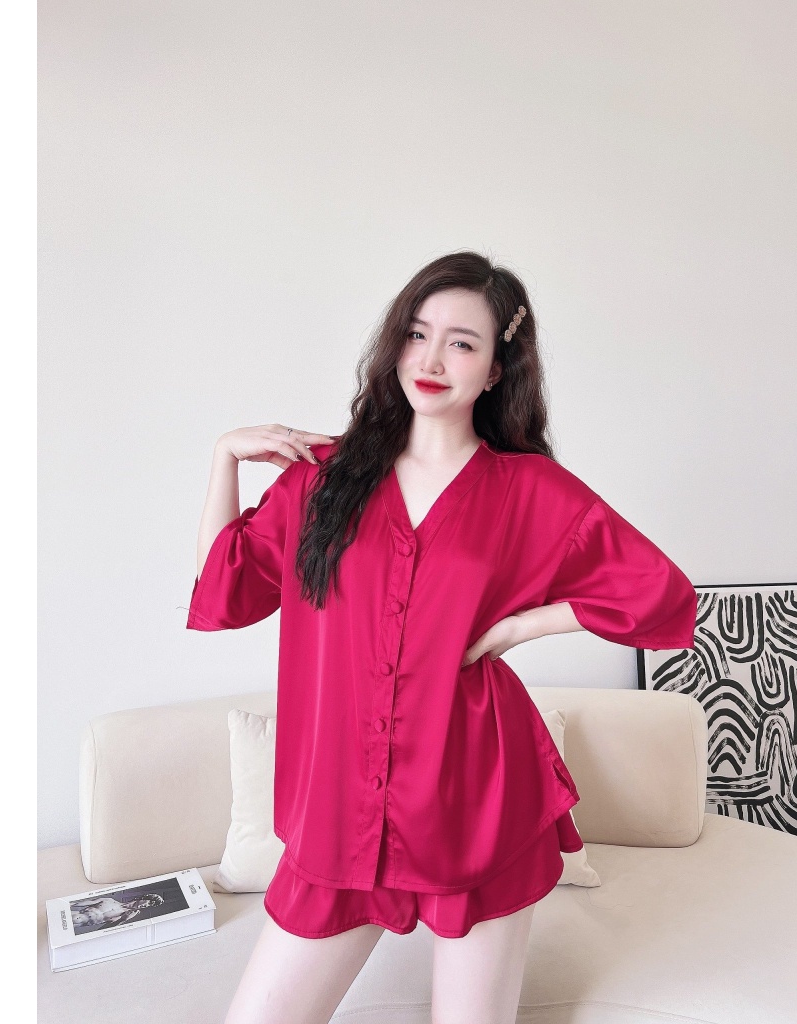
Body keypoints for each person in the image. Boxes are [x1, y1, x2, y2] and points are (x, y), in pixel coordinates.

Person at [188, 251, 697, 1024]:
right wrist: (224, 457)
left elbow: (660, 594)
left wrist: (524, 624)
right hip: (340, 809)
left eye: (461, 343)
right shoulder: (323, 481)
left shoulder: (529, 490)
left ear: (495, 369)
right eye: (417, 334)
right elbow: (224, 588)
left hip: (477, 797)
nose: (430, 360)